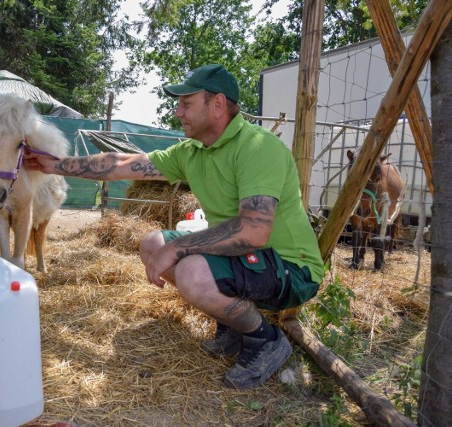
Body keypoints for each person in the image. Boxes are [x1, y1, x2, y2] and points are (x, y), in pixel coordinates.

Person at [24, 64, 324, 389]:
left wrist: (178, 247)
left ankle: (265, 339)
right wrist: (57, 165)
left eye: (187, 103)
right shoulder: (192, 151)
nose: (177, 111)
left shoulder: (257, 147)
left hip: (291, 267)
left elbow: (253, 231)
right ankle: (233, 323)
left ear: (218, 105)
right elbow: (122, 164)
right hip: (248, 256)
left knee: (191, 270)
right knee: (152, 243)